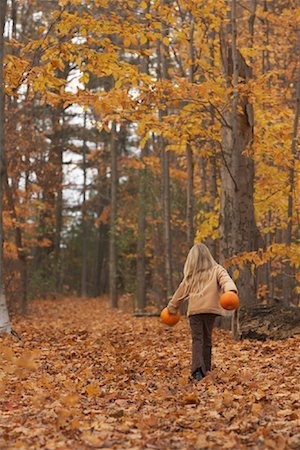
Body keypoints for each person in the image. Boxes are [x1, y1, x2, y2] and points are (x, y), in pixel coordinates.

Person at [167, 243, 238, 381]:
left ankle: (197, 371)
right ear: (208, 256)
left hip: (195, 313)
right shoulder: (217, 269)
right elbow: (226, 280)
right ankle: (206, 368)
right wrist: (230, 291)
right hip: (210, 311)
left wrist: (172, 307)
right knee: (207, 339)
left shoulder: (191, 276)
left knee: (198, 339)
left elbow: (179, 294)